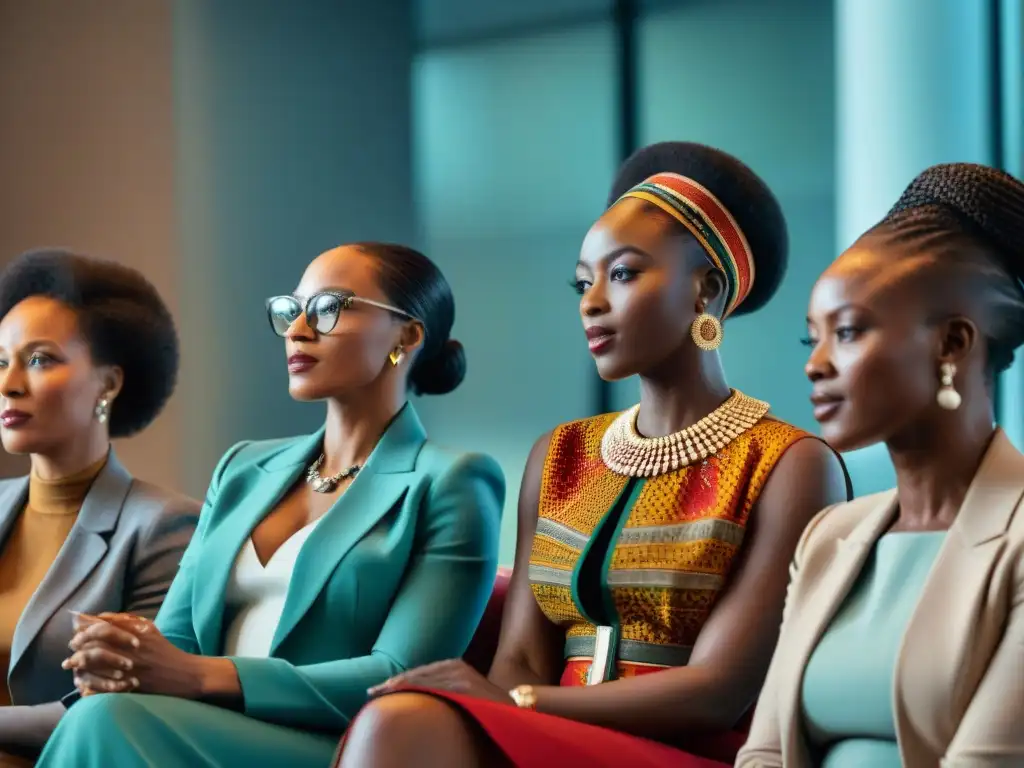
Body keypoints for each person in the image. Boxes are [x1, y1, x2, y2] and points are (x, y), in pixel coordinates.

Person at [334, 142, 852, 768]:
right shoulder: (561, 455)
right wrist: (509, 702)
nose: (592, 302)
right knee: (401, 721)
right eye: (583, 282)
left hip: (687, 749)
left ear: (706, 291)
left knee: (402, 725)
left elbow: (718, 692)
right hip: (544, 730)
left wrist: (522, 704)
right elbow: (519, 658)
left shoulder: (789, 463)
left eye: (624, 274)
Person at [37, 242, 504, 768]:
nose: (298, 330)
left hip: (337, 745)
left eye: (329, 307)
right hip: (199, 725)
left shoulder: (455, 481)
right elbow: (178, 636)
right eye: (291, 310)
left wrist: (202, 676)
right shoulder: (243, 468)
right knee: (101, 713)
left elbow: (400, 674)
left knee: (105, 722)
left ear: (407, 335)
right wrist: (129, 657)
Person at [735, 163, 1024, 767]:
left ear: (953, 344)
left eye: (847, 332)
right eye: (808, 338)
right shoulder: (828, 537)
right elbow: (763, 754)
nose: (815, 364)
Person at [0, 249, 200, 765]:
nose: (8, 385)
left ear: (108, 385)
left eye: (40, 359)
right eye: (1, 360)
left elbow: (118, 708)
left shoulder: (164, 527)